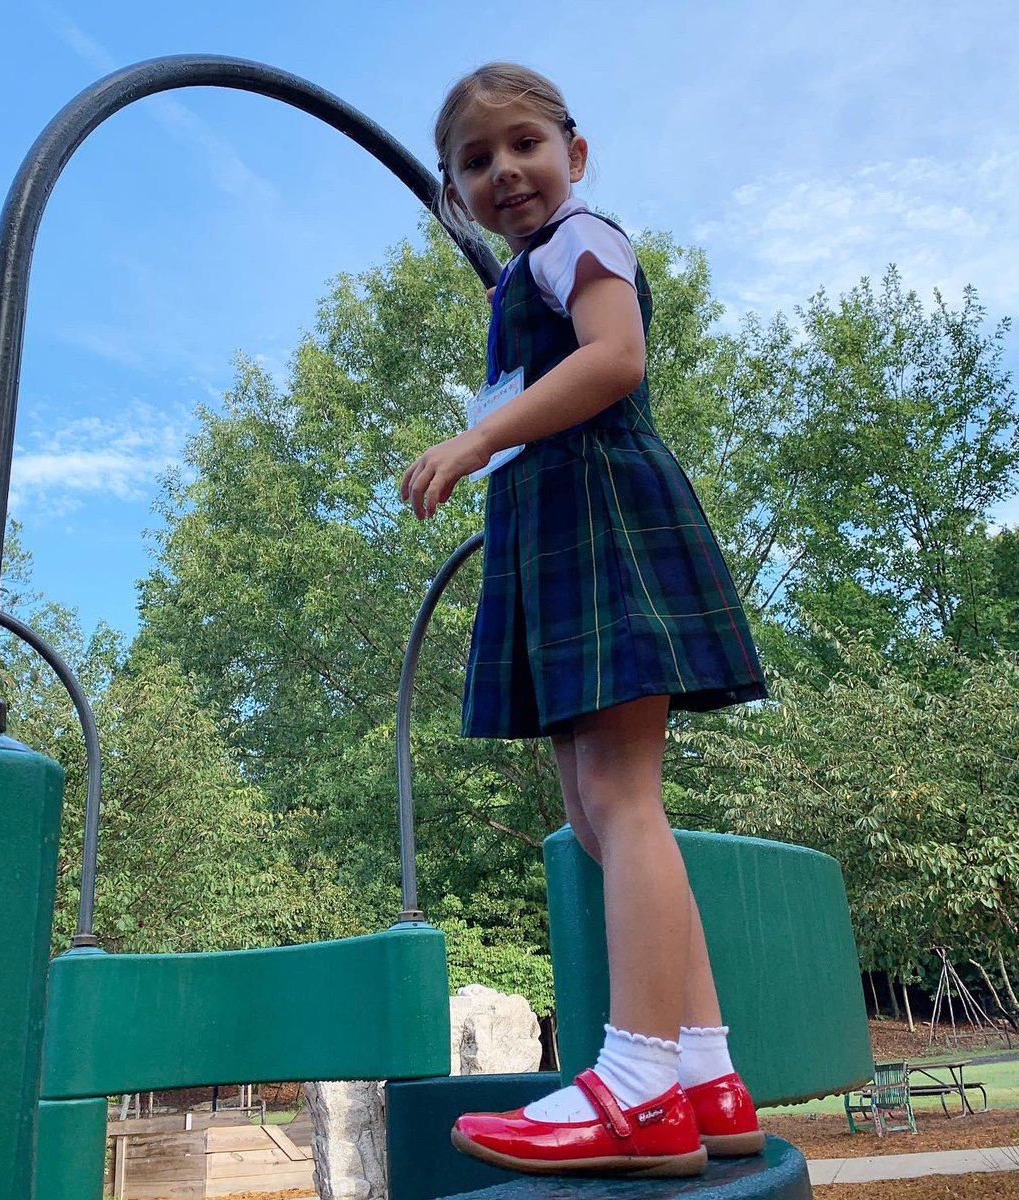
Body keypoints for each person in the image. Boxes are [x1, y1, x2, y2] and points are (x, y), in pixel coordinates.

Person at [400, 64, 769, 1179]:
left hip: (601, 516)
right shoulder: (525, 270)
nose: (503, 170)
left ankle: (638, 1082)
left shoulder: (579, 238)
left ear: (576, 152)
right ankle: (704, 1072)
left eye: (524, 144)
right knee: (600, 812)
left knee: (621, 798)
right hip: (557, 528)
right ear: (452, 191)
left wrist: (475, 441)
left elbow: (617, 359)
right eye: (475, 160)